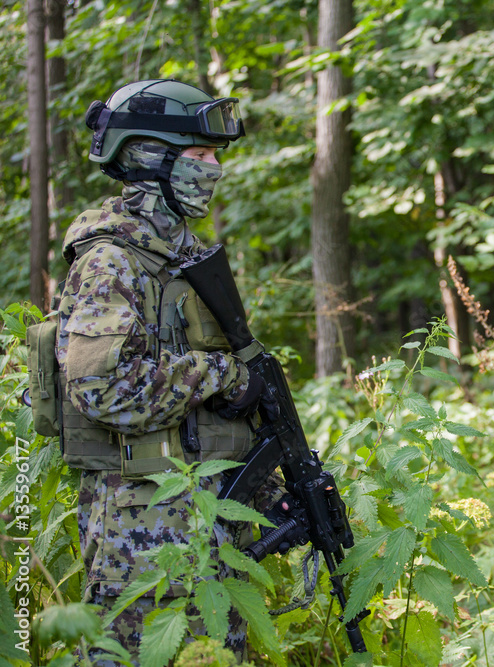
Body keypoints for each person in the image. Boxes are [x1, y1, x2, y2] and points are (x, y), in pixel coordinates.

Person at [58, 79, 276, 663]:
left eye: (214, 157)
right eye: (199, 156)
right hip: (142, 538)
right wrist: (220, 376)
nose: (213, 170)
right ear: (149, 157)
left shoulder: (182, 256)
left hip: (205, 525)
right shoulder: (112, 260)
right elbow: (101, 389)